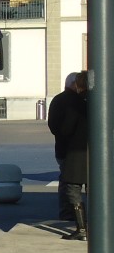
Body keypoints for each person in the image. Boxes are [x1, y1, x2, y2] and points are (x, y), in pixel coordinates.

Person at [47, 71, 88, 240]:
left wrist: (64, 138)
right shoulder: (90, 101)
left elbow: (61, 128)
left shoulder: (65, 101)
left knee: (70, 186)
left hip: (73, 152)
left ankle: (79, 225)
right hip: (90, 153)